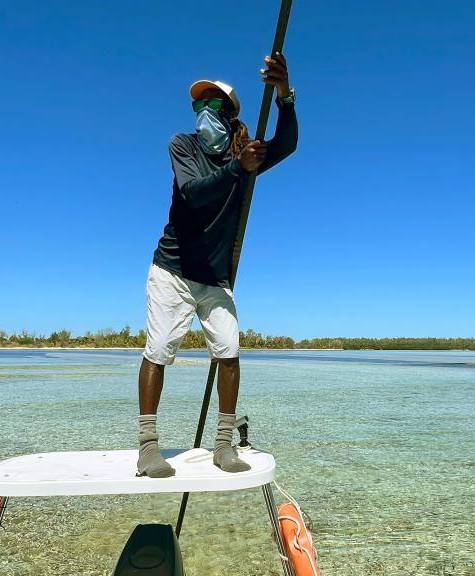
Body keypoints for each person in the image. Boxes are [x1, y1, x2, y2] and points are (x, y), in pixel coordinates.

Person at [136, 53, 298, 478]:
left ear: (229, 115)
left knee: (229, 351)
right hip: (172, 268)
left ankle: (223, 445)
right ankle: (148, 447)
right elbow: (192, 193)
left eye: (212, 106)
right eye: (198, 106)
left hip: (215, 276)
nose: (203, 113)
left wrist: (285, 96)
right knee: (159, 352)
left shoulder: (245, 154)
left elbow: (288, 144)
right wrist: (237, 170)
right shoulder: (183, 145)